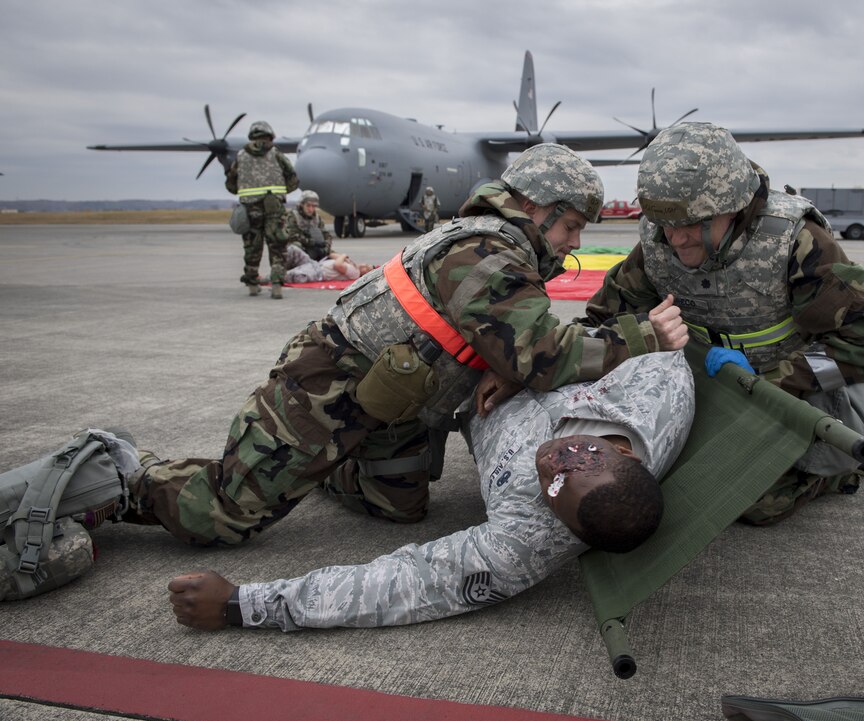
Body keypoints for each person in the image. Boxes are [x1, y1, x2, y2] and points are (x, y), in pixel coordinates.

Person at [124, 143, 688, 549]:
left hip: (395, 403)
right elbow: (542, 356)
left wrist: (510, 369)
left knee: (400, 509)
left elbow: (513, 345)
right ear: (538, 208)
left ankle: (326, 465)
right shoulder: (486, 254)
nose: (575, 243)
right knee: (223, 517)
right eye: (570, 227)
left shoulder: (502, 247)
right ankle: (123, 476)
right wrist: (645, 335)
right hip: (328, 387)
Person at [167, 351, 694, 631]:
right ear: (623, 452)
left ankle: (335, 468)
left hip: (442, 402)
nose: (548, 463)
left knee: (394, 502)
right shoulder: (656, 394)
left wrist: (245, 604)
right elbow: (651, 347)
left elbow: (399, 586)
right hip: (474, 353)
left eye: (550, 489)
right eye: (577, 461)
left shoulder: (524, 543)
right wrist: (527, 369)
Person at [580, 122, 864, 526]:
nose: (677, 239)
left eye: (693, 223)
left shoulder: (797, 242)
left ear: (733, 204)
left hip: (799, 395)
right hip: (718, 392)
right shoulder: (659, 242)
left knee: (752, 500)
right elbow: (606, 319)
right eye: (666, 223)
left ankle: (840, 470)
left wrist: (773, 379)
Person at [225, 121, 299, 299]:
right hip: (274, 207)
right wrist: (279, 192)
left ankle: (252, 284)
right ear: (269, 135)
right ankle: (276, 286)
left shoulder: (241, 156)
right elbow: (293, 179)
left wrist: (247, 190)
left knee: (252, 246)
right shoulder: (277, 154)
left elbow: (231, 185)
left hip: (250, 209)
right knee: (277, 246)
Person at [282, 246, 375, 284]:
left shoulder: (355, 273)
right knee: (293, 249)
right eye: (366, 265)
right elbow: (331, 255)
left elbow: (338, 265)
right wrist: (345, 258)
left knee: (289, 275)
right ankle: (280, 266)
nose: (364, 266)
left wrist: (343, 256)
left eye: (366, 269)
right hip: (315, 264)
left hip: (317, 272)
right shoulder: (352, 264)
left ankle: (275, 276)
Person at [286, 190, 333, 261]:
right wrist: (312, 242)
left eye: (313, 206)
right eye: (308, 206)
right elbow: (292, 236)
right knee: (296, 246)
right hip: (300, 246)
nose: (311, 209)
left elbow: (326, 234)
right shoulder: (293, 216)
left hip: (314, 247)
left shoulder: (317, 218)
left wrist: (327, 246)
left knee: (334, 255)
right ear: (302, 204)